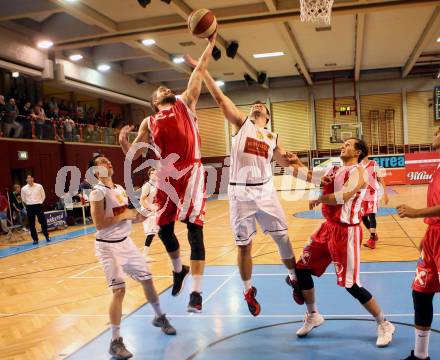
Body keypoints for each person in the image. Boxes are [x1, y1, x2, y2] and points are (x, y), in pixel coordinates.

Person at [183, 57, 302, 316]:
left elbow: (288, 162)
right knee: (243, 246)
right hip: (240, 192)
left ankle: (293, 277)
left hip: (266, 191)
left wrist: (305, 170)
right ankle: (248, 290)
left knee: (283, 238)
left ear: (267, 118)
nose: (258, 105)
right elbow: (219, 97)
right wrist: (201, 69)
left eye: (263, 106)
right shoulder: (242, 123)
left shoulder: (272, 137)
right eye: (255, 105)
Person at [119, 32, 217, 313]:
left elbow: (199, 70)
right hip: (166, 176)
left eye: (165, 87)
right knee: (163, 230)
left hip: (193, 173)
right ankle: (178, 269)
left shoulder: (186, 102)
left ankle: (196, 294)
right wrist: (124, 142)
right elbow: (134, 154)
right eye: (160, 89)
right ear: (154, 101)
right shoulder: (149, 122)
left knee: (195, 234)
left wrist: (209, 44)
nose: (164, 88)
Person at [293, 138, 395, 347]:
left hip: (346, 233)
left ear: (358, 152)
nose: (343, 145)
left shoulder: (360, 171)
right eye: (343, 143)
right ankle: (313, 315)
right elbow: (313, 179)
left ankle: (384, 323)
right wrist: (294, 163)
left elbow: (344, 195)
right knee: (301, 269)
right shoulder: (334, 168)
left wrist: (320, 199)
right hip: (327, 228)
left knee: (351, 285)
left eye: (348, 144)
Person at [88, 153, 176, 360]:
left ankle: (159, 316)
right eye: (102, 162)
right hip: (108, 248)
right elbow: (99, 224)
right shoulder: (97, 193)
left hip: (126, 243)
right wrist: (125, 214)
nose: (107, 161)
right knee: (119, 291)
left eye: (107, 159)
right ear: (95, 171)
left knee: (147, 279)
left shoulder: (118, 189)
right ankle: (115, 341)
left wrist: (149, 213)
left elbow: (130, 217)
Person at [398, 128, 440, 360]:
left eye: (439, 130)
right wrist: (428, 232)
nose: (435, 132)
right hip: (434, 237)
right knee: (421, 293)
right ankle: (421, 356)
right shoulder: (438, 166)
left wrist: (417, 213)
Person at [361, 155, 389, 249]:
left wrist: (385, 194)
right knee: (363, 217)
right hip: (362, 194)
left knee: (371, 214)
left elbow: (381, 179)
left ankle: (372, 240)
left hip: (373, 193)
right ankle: (374, 235)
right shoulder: (358, 166)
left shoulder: (374, 164)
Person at [21, 174, 50, 244]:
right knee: (31, 224)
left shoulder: (39, 186)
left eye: (30, 178)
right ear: (26, 180)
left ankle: (46, 236)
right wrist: (29, 203)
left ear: (33, 179)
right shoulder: (23, 189)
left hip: (38, 206)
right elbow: (23, 199)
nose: (29, 179)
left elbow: (43, 196)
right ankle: (35, 239)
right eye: (28, 178)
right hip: (30, 207)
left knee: (43, 221)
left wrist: (39, 203)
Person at [140, 168, 159, 261]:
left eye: (155, 173)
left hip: (154, 210)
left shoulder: (158, 185)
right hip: (147, 211)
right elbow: (142, 200)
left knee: (157, 231)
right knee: (151, 233)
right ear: (149, 175)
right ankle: (143, 256)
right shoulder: (147, 186)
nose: (154, 174)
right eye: (152, 173)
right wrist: (149, 209)